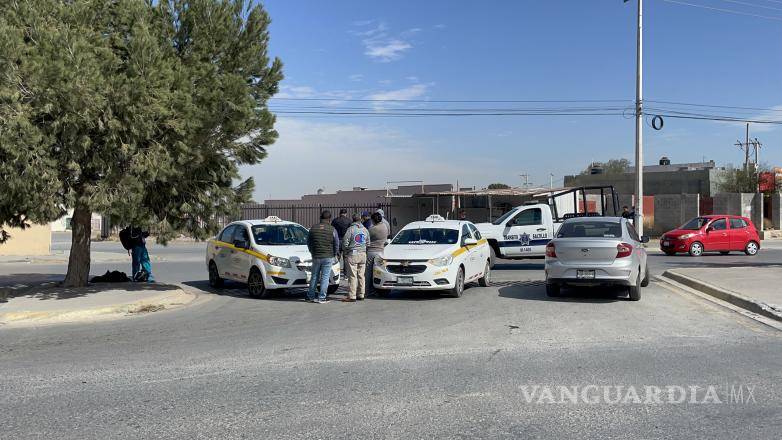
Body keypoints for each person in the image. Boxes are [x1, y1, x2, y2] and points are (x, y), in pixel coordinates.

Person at [306, 210, 339, 304]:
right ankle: (322, 298)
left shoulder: (313, 228)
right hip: (328, 256)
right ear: (329, 219)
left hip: (316, 255)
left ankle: (310, 296)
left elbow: (309, 242)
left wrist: (312, 251)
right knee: (325, 277)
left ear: (321, 217)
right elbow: (336, 244)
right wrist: (334, 254)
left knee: (314, 276)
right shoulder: (332, 229)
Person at [341, 213, 369, 302]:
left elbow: (345, 242)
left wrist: (346, 250)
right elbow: (368, 243)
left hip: (353, 254)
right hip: (363, 254)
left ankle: (352, 295)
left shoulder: (350, 230)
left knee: (353, 276)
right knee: (361, 275)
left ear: (352, 220)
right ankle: (361, 294)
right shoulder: (365, 229)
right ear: (360, 219)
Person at [365, 212, 389, 295]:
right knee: (378, 272)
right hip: (381, 251)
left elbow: (366, 238)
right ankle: (376, 289)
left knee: (368, 272)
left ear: (373, 220)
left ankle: (367, 290)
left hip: (372, 251)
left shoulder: (373, 229)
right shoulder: (385, 227)